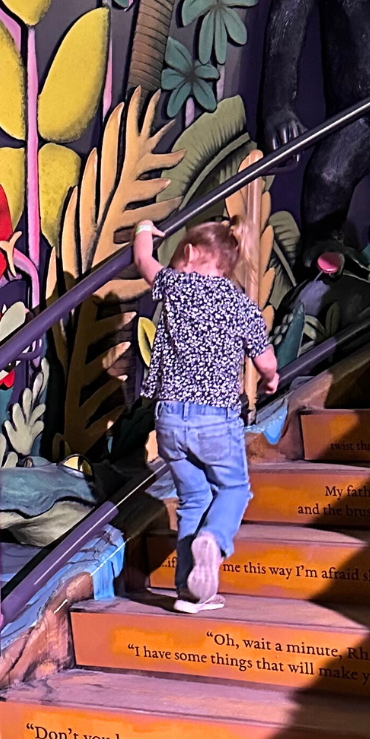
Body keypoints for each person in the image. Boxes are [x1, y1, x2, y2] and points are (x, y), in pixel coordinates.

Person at [134, 217, 278, 607]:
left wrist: (144, 229)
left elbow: (143, 259)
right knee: (234, 489)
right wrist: (271, 379)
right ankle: (213, 539)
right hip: (216, 420)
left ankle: (190, 592)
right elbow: (265, 361)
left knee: (194, 499)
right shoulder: (240, 303)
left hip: (169, 420)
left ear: (190, 252)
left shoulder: (175, 286)